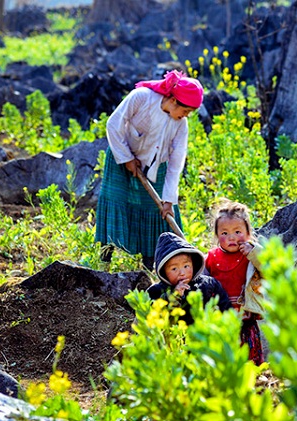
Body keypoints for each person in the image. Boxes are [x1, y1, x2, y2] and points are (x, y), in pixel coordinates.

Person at [95, 70, 204, 269]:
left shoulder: (181, 125)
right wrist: (127, 158)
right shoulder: (141, 98)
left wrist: (169, 200)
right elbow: (113, 125)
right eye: (185, 111)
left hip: (155, 167)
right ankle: (104, 261)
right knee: (115, 202)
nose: (185, 116)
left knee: (155, 213)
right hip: (121, 158)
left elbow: (175, 164)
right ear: (172, 100)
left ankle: (150, 266)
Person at [205, 200, 265, 365]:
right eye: (224, 233)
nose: (231, 237)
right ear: (217, 235)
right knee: (224, 359)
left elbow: (269, 268)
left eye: (237, 231)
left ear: (248, 232)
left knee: (250, 360)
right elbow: (202, 281)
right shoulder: (211, 257)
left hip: (246, 319)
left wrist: (254, 253)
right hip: (221, 319)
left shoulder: (252, 254)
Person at [147, 232, 232, 325]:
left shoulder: (208, 284)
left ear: (193, 264)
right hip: (176, 336)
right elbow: (153, 316)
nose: (182, 273)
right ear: (163, 271)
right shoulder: (157, 291)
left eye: (186, 266)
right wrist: (174, 297)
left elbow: (225, 308)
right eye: (174, 269)